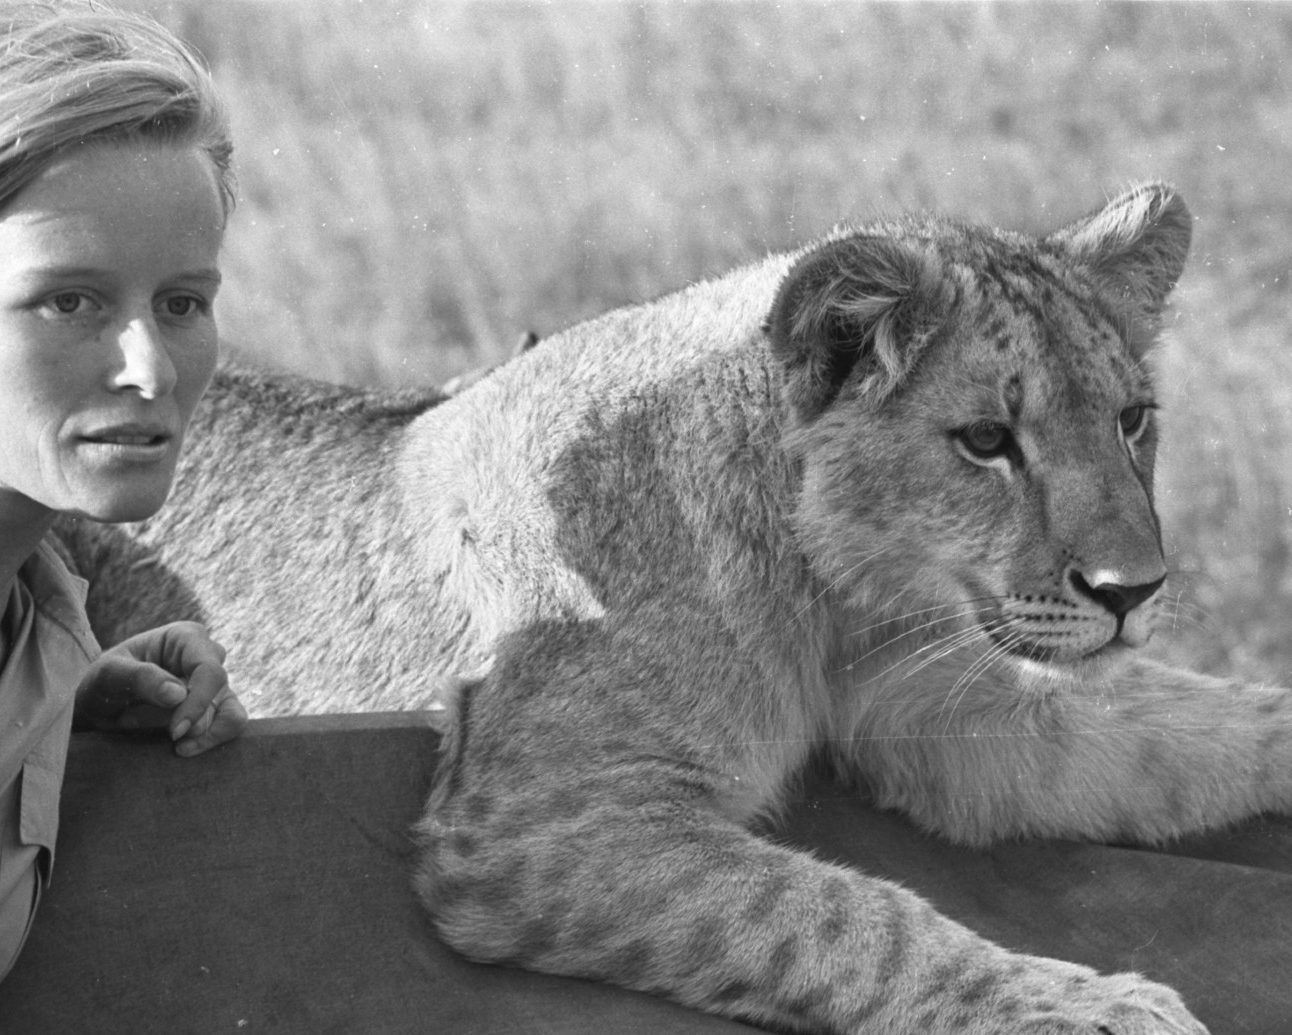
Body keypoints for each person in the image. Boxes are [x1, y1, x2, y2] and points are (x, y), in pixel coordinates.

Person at [0, 3, 248, 981]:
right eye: (71, 301)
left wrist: (63, 705)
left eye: (181, 304)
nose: (148, 368)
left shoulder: (39, 608)